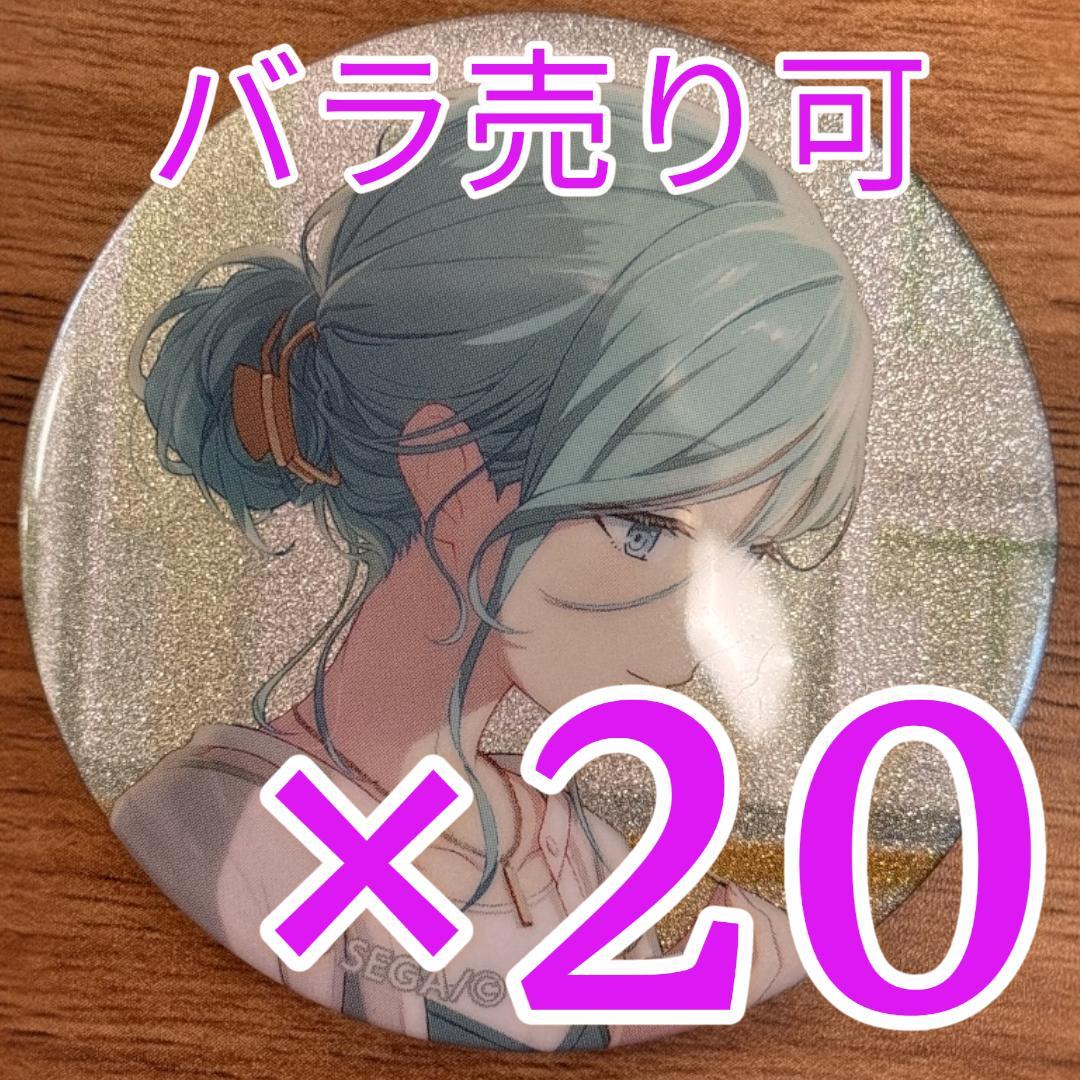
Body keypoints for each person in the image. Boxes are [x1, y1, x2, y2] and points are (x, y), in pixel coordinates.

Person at [112, 84, 873, 1050]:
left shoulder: (578, 856)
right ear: (451, 472)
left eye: (746, 549)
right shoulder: (212, 836)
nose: (703, 625)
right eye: (645, 529)